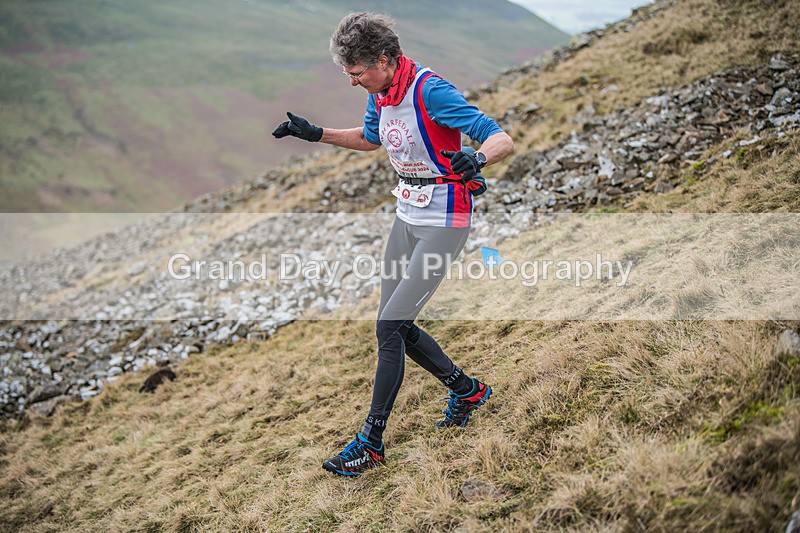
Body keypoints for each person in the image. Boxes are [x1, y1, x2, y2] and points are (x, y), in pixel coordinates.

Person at [272, 12, 514, 477]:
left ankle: (371, 442)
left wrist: (478, 157)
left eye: (357, 72)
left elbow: (501, 137)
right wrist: (314, 133)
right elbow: (369, 139)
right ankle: (468, 391)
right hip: (407, 214)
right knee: (395, 326)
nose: (352, 82)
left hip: (446, 217)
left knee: (388, 327)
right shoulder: (382, 93)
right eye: (348, 73)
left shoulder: (431, 91)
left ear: (384, 58)